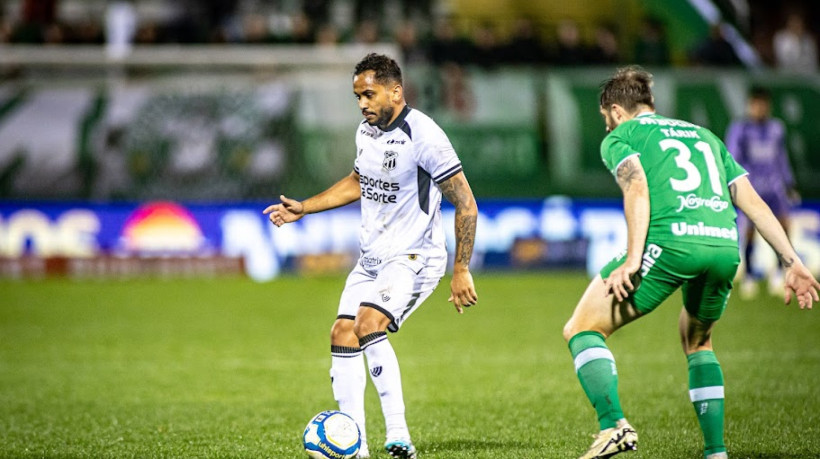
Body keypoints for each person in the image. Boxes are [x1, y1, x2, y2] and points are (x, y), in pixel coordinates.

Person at [562, 66, 819, 459]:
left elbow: (637, 188)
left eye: (605, 120)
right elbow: (750, 200)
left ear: (615, 111)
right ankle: (716, 452)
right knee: (697, 339)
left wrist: (633, 260)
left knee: (582, 328)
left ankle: (614, 426)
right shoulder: (706, 136)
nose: (607, 127)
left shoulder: (623, 136)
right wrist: (792, 260)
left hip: (671, 242)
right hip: (722, 247)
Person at [264, 53, 479, 459]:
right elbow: (358, 182)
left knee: (367, 324)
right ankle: (355, 446)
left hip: (415, 256)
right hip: (373, 257)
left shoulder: (425, 136)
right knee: (341, 334)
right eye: (357, 96)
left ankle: (400, 438)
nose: (362, 103)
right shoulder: (367, 132)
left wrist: (461, 268)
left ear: (396, 91)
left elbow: (466, 204)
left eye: (369, 94)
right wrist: (305, 208)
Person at [725, 85, 799, 298]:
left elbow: (781, 158)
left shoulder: (776, 128)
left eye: (763, 104)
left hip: (774, 188)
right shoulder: (740, 129)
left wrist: (789, 183)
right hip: (752, 188)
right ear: (750, 105)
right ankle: (748, 274)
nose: (760, 108)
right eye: (756, 104)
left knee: (784, 227)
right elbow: (733, 158)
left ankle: (779, 273)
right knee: (749, 232)